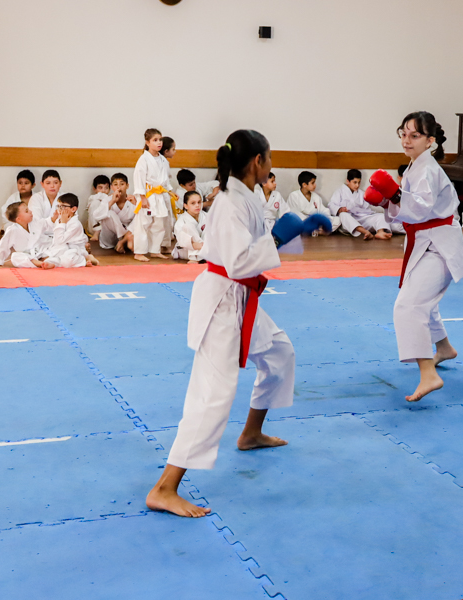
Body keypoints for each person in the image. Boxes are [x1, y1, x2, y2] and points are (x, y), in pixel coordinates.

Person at [147, 129, 326, 518]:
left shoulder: (246, 195)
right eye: (270, 157)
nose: (272, 164)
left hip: (242, 298)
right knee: (212, 394)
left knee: (279, 355)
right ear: (257, 161)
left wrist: (293, 233)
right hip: (223, 302)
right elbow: (239, 261)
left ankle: (251, 433)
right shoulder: (230, 202)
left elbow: (255, 249)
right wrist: (277, 237)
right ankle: (164, 488)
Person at [365, 112, 463, 402]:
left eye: (414, 135)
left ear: (430, 141)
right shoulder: (415, 166)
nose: (406, 140)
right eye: (403, 134)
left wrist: (395, 195)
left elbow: (420, 209)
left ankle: (428, 373)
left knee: (408, 306)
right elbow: (410, 212)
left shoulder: (428, 170)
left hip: (439, 246)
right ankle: (444, 348)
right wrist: (387, 200)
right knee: (424, 300)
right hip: (426, 242)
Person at [12, 193, 92, 268]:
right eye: (58, 206)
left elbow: (60, 241)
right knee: (15, 256)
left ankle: (84, 260)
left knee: (67, 256)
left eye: (62, 207)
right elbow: (55, 238)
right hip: (53, 249)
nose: (59, 209)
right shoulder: (59, 220)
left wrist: (62, 223)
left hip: (69, 249)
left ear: (73, 209)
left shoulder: (75, 224)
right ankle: (42, 262)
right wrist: (58, 221)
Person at [130, 128, 173, 261]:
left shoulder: (163, 160)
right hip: (148, 195)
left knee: (159, 224)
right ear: (147, 142)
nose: (159, 143)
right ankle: (139, 252)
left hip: (160, 195)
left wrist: (170, 191)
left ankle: (155, 250)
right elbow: (139, 178)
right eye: (155, 140)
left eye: (160, 140)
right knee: (143, 224)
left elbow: (166, 179)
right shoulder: (143, 159)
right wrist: (142, 197)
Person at [330, 169, 402, 240]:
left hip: (361, 218)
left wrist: (362, 211)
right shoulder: (339, 192)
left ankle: (380, 232)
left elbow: (366, 209)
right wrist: (340, 209)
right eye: (355, 182)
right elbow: (331, 205)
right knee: (343, 215)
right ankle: (365, 232)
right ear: (348, 181)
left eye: (359, 182)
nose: (357, 185)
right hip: (349, 221)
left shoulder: (362, 193)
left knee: (380, 216)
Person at [0, 201, 47, 266]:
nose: (31, 211)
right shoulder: (12, 230)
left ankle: (46, 260)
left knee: (52, 250)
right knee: (15, 257)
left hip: (40, 252)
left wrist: (53, 219)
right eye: (27, 211)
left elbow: (46, 223)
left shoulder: (34, 223)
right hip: (26, 255)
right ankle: (38, 263)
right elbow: (4, 246)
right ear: (19, 219)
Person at [0, 169, 35, 234]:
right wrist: (19, 223)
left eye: (26, 183)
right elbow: (5, 213)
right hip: (15, 224)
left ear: (33, 185)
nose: (23, 186)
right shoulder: (13, 198)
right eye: (20, 183)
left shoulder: (37, 198)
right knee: (11, 229)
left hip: (33, 225)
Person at [110, 172, 137, 253]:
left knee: (141, 216)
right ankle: (124, 239)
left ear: (127, 186)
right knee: (110, 214)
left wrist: (136, 205)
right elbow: (97, 216)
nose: (118, 187)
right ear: (111, 187)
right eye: (115, 184)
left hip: (128, 233)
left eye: (122, 184)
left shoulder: (133, 200)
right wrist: (112, 201)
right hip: (111, 236)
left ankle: (124, 241)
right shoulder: (107, 200)